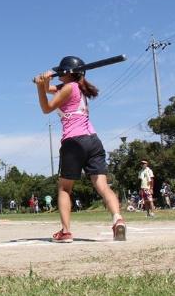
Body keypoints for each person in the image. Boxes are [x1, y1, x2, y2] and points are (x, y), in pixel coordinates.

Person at [34, 56, 126, 243]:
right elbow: (51, 90)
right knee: (102, 186)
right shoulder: (77, 88)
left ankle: (66, 231)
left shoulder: (69, 88)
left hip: (73, 142)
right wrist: (44, 82)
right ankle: (118, 220)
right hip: (93, 140)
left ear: (68, 72)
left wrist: (39, 87)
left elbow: (47, 107)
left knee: (65, 188)